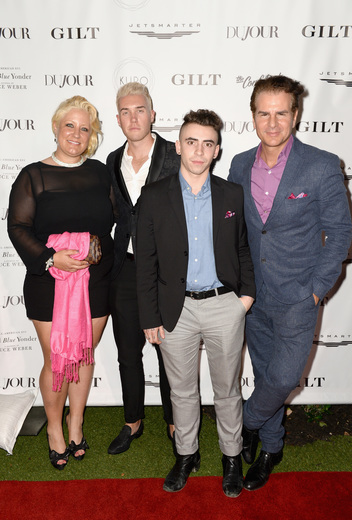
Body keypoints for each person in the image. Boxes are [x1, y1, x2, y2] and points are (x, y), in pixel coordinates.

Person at [228, 75, 351, 491]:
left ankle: (245, 422)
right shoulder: (239, 164)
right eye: (265, 113)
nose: (273, 122)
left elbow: (340, 233)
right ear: (253, 116)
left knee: (282, 378)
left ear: (295, 115)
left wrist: (317, 289)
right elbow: (240, 231)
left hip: (299, 295)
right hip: (252, 295)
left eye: (282, 112)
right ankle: (270, 447)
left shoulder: (320, 165)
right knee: (265, 374)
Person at [136, 109, 256, 497]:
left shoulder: (230, 194)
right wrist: (150, 316)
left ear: (217, 149)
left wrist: (245, 298)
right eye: (192, 142)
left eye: (207, 143)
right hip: (176, 309)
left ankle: (232, 457)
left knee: (228, 389)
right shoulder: (153, 196)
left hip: (225, 305)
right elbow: (146, 262)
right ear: (178, 145)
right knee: (182, 391)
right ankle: (186, 455)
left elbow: (242, 248)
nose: (199, 150)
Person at [8, 96, 116, 470]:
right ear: (55, 127)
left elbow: (116, 224)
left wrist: (95, 250)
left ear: (92, 135)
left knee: (83, 353)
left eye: (84, 128)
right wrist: (54, 258)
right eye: (69, 125)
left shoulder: (102, 173)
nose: (76, 133)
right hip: (47, 281)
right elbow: (17, 227)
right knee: (58, 359)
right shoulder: (33, 175)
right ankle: (54, 429)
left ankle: (76, 424)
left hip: (96, 280)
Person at [106, 82, 180, 455]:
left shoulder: (176, 155)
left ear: (152, 114)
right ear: (117, 118)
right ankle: (132, 421)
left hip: (165, 273)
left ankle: (175, 424)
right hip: (125, 269)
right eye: (125, 111)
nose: (133, 117)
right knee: (126, 352)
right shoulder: (111, 160)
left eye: (139, 110)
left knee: (169, 353)